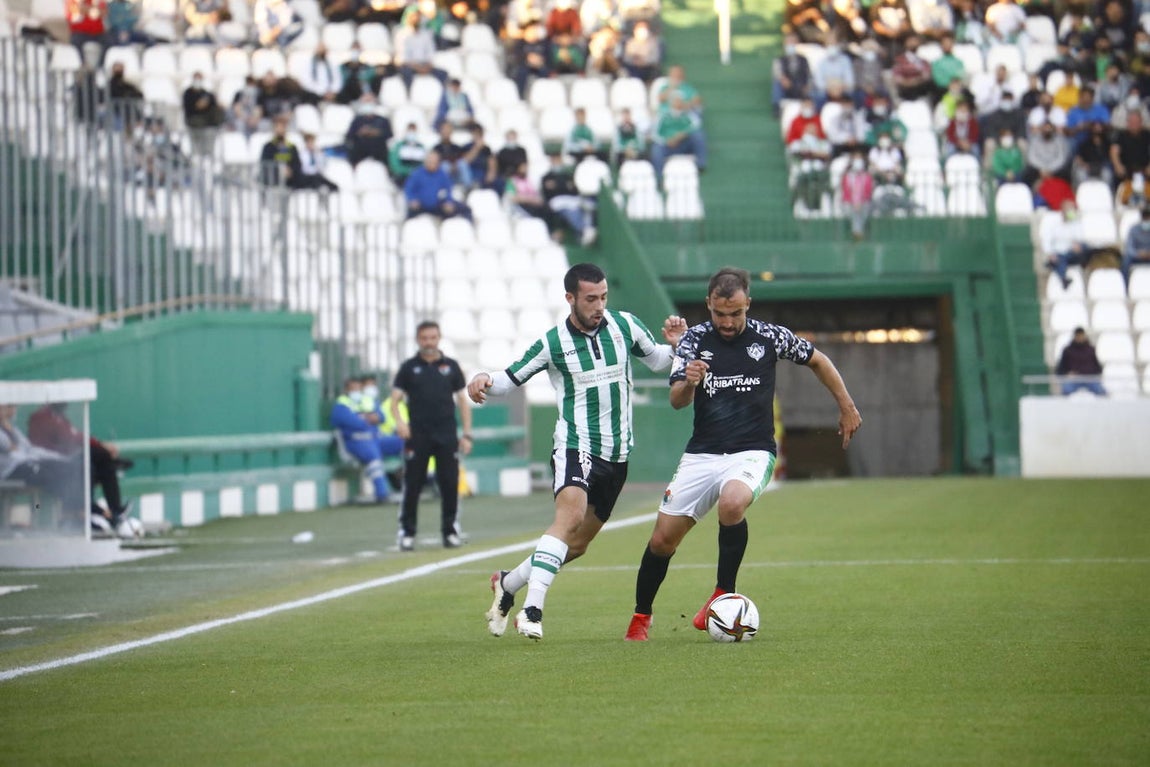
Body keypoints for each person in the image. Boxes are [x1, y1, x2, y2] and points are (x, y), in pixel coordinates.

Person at [623, 267, 861, 641]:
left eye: (736, 313)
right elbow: (676, 401)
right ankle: (641, 618)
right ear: (709, 305)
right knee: (662, 540)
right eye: (720, 314)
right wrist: (689, 380)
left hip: (752, 450)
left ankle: (721, 596)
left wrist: (846, 406)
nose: (728, 322)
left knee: (732, 504)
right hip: (703, 453)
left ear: (748, 303)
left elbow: (819, 359)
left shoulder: (769, 336)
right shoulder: (693, 341)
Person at [469, 263, 687, 640]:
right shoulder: (553, 343)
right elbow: (510, 378)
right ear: (570, 298)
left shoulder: (626, 327)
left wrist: (676, 345)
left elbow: (656, 361)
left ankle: (509, 582)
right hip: (575, 443)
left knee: (578, 544)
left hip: (617, 454)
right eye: (590, 299)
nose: (599, 305)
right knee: (568, 518)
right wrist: (483, 378)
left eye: (603, 297)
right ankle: (532, 610)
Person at [388, 321, 473, 551]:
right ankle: (407, 533)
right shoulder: (408, 368)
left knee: (449, 484)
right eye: (425, 338)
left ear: (439, 338)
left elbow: (463, 401)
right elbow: (394, 401)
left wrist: (466, 434)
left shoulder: (451, 367)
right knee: (412, 485)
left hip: (446, 434)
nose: (429, 342)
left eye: (433, 337)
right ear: (418, 339)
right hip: (418, 435)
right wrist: (400, 422)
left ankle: (450, 531)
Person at [26, 402, 133, 528]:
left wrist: (99, 445)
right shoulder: (42, 418)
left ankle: (114, 510)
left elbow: (75, 436)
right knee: (90, 464)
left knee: (99, 464)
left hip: (65, 460)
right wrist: (100, 445)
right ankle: (93, 512)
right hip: (50, 464)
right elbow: (70, 437)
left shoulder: (59, 418)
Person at [0, 405, 86, 524]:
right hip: (11, 470)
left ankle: (76, 511)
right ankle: (70, 514)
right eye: (7, 406)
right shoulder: (33, 420)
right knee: (51, 475)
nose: (11, 410)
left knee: (67, 468)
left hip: (29, 462)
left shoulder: (12, 429)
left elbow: (28, 449)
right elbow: (7, 446)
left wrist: (60, 458)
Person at [331, 378, 396, 503]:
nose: (356, 391)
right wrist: (368, 418)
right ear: (346, 390)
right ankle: (382, 493)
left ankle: (415, 486)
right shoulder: (341, 405)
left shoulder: (367, 401)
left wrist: (370, 417)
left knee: (405, 442)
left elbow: (382, 416)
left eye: (358, 388)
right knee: (372, 454)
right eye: (352, 389)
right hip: (357, 442)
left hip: (376, 439)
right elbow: (355, 423)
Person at [649, 95, 707, 177]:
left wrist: (682, 135)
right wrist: (667, 140)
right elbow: (655, 134)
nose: (678, 103)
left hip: (684, 144)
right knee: (656, 148)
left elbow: (696, 125)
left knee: (698, 135)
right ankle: (659, 176)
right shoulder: (663, 116)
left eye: (680, 101)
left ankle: (700, 164)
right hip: (667, 146)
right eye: (676, 101)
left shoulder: (688, 115)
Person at [403, 151, 472, 220]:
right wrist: (412, 199)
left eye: (434, 162)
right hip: (420, 206)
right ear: (425, 162)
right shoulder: (416, 174)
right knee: (409, 214)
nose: (432, 164)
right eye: (430, 161)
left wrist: (448, 201)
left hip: (438, 205)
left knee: (465, 209)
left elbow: (448, 189)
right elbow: (409, 189)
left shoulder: (443, 175)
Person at [1042, 200, 1088, 288]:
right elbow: (1047, 240)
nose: (1071, 212)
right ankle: (1063, 278)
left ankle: (1055, 267)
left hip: (1072, 253)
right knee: (1060, 258)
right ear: (1063, 211)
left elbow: (1080, 238)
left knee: (1084, 247)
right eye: (1069, 210)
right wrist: (1050, 254)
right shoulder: (1053, 223)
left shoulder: (1076, 223)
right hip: (1058, 252)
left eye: (1072, 210)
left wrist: (1077, 244)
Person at [346, 94, 394, 168]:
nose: (368, 104)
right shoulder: (357, 120)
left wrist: (377, 132)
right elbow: (349, 136)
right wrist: (360, 132)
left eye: (370, 101)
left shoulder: (383, 120)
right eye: (366, 101)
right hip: (361, 149)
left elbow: (389, 134)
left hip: (378, 149)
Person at [182, 72, 223, 156]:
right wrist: (199, 105)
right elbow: (190, 108)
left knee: (211, 133)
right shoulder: (188, 93)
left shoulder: (206, 93)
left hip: (207, 123)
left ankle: (208, 156)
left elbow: (213, 104)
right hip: (192, 122)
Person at [1055, 328, 1105, 396]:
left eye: (1081, 336)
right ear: (1074, 336)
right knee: (1066, 390)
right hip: (1074, 380)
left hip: (1089, 379)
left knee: (1101, 391)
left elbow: (1097, 367)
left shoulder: (1091, 349)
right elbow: (1060, 369)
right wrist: (1068, 373)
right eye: (1078, 336)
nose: (1080, 338)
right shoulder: (1067, 350)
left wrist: (1092, 373)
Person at [772, 33, 813, 115]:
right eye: (788, 42)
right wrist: (784, 80)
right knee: (777, 84)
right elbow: (778, 74)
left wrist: (808, 85)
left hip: (801, 86)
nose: (791, 44)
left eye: (793, 42)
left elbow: (809, 75)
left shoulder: (803, 59)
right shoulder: (779, 60)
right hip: (786, 87)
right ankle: (777, 108)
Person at [841, 151, 874, 239]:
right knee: (854, 211)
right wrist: (854, 203)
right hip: (849, 202)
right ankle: (858, 232)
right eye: (856, 159)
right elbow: (846, 192)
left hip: (863, 202)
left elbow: (868, 192)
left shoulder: (867, 176)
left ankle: (857, 232)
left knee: (863, 209)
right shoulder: (847, 176)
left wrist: (860, 202)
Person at [1123, 205, 1150, 282]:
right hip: (1138, 257)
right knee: (1126, 261)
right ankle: (1126, 286)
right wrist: (1138, 254)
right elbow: (1129, 248)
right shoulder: (1133, 229)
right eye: (1146, 218)